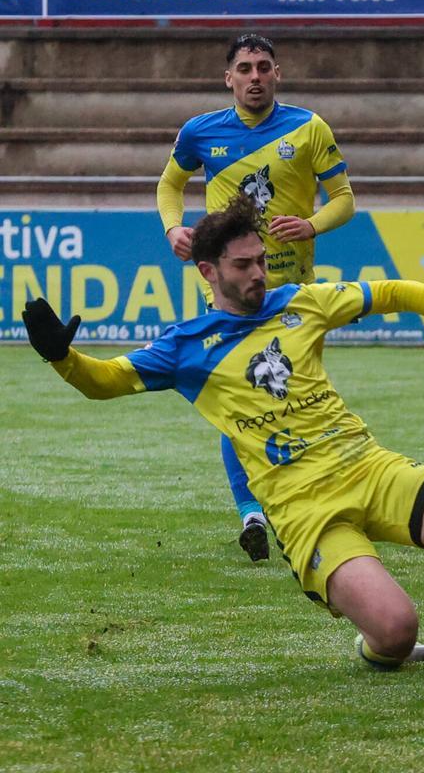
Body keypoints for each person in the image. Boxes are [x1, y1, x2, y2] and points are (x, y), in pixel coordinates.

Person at [22, 194, 424, 669]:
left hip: (366, 467)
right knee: (397, 631)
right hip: (306, 513)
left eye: (261, 261)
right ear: (209, 272)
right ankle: (375, 644)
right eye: (242, 266)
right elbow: (105, 380)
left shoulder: (301, 301)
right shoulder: (186, 347)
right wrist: (62, 358)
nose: (258, 274)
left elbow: (393, 290)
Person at [156, 33, 356, 562]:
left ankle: (307, 500)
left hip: (294, 293)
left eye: (263, 67)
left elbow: (345, 200)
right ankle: (251, 511)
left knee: (300, 398)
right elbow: (169, 185)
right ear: (229, 78)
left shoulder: (308, 128)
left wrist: (311, 225)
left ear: (277, 74)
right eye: (244, 68)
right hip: (228, 298)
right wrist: (173, 228)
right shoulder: (200, 132)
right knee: (236, 403)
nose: (254, 76)